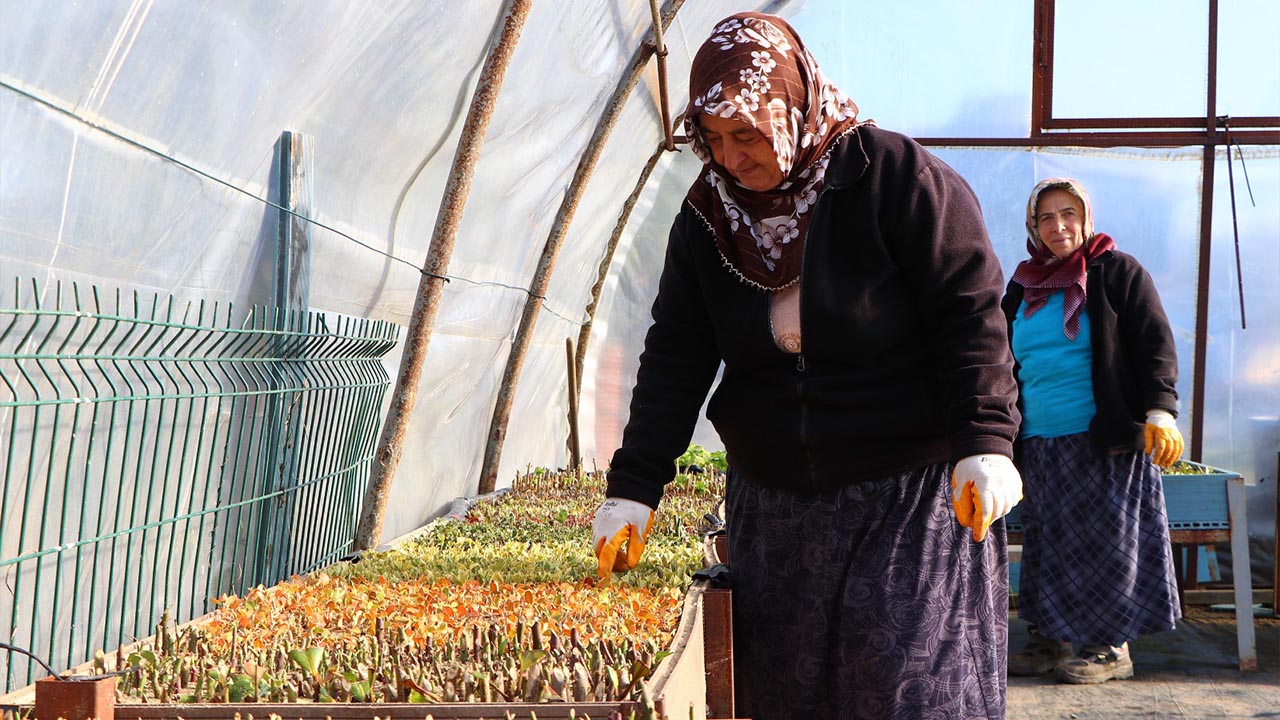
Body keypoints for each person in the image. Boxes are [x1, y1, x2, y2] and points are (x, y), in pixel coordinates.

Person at [589, 12, 1022, 719]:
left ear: (792, 108)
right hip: (778, 507)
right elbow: (677, 353)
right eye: (714, 138)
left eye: (749, 134)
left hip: (905, 494)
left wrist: (985, 442)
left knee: (904, 686)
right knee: (790, 695)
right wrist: (634, 487)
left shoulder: (892, 178)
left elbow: (969, 312)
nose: (731, 157)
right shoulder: (708, 214)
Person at [1002, 177, 1184, 684]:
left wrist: (1160, 411)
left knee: (1106, 544)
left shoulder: (1116, 271)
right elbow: (1000, 359)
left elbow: (1154, 343)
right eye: (1046, 217)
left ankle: (1109, 649)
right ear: (1032, 226)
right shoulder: (1022, 285)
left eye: (1069, 214)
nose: (1059, 226)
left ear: (1086, 218)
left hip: (1104, 439)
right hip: (1039, 439)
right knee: (1047, 543)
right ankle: (1049, 642)